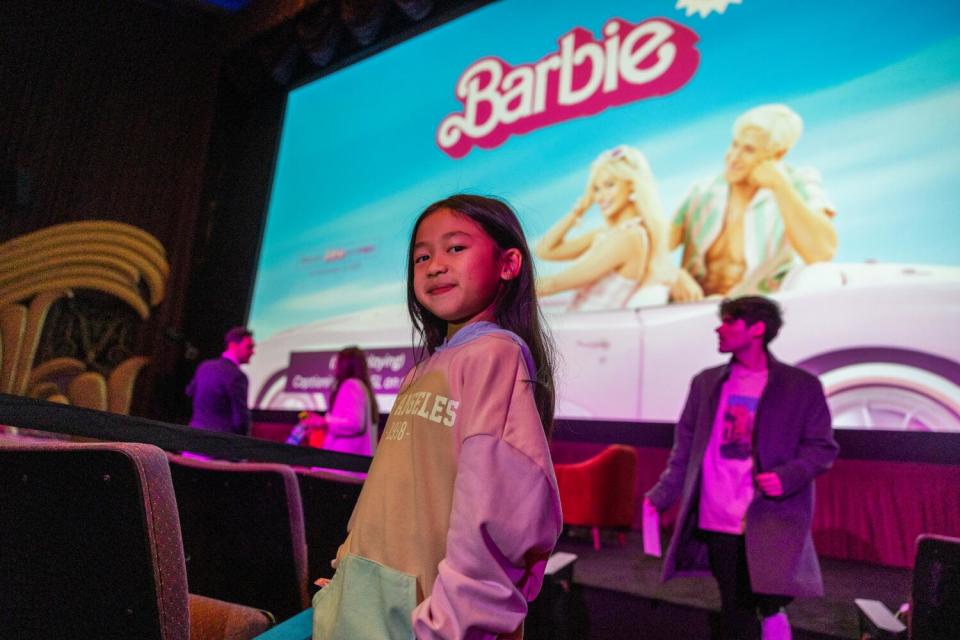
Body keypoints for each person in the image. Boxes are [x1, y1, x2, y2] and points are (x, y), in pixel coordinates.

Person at [312, 194, 562, 639]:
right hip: (371, 606)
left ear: (508, 264)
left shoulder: (494, 355)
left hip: (430, 624)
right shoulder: (423, 369)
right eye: (421, 256)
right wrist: (347, 574)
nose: (434, 265)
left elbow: (494, 518)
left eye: (456, 248)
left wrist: (448, 625)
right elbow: (391, 490)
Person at [644, 296, 839, 640]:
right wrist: (662, 494)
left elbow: (822, 448)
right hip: (717, 514)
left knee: (767, 597)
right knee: (735, 607)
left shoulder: (800, 386)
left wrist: (787, 476)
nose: (718, 328)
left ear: (757, 329)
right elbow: (685, 448)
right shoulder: (705, 383)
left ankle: (773, 616)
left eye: (729, 321)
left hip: (769, 516)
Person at [669, 104, 837, 302]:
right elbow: (655, 247)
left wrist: (779, 185)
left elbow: (821, 253)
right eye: (734, 144)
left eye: (748, 149)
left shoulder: (798, 183)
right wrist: (673, 274)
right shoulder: (702, 192)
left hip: (754, 317)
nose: (733, 157)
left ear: (777, 155)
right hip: (688, 312)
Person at [535, 145, 674, 310]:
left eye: (609, 185)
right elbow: (545, 250)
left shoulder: (629, 237)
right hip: (579, 326)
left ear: (631, 185)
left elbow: (553, 284)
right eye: (596, 189)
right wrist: (579, 210)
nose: (600, 197)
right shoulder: (606, 233)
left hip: (593, 333)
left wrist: (505, 288)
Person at [293, 346, 379, 456]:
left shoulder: (351, 385)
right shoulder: (361, 387)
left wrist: (324, 422)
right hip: (350, 462)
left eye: (337, 362)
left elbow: (355, 424)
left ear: (344, 365)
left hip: (345, 464)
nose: (334, 366)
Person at [185, 326, 254, 436]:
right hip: (218, 445)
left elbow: (189, 392)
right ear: (233, 345)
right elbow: (241, 420)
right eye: (249, 347)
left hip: (192, 439)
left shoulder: (204, 366)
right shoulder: (238, 376)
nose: (253, 352)